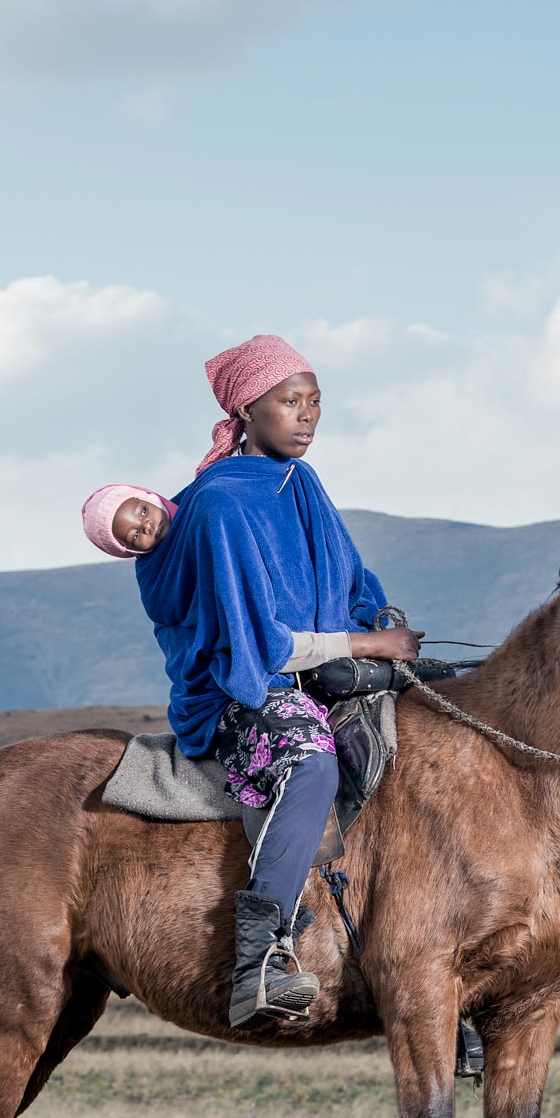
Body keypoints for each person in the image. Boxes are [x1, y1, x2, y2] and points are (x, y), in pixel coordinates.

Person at [131, 334, 422, 1027]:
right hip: (245, 689)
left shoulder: (302, 484)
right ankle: (259, 963)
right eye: (290, 402)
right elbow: (255, 643)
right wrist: (364, 642)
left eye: (315, 402)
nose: (307, 416)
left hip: (315, 674)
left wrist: (383, 632)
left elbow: (351, 583)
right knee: (312, 768)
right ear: (248, 409)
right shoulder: (220, 504)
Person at [81, 484, 177, 558]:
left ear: (151, 499)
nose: (147, 527)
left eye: (143, 512)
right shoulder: (159, 574)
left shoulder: (188, 503)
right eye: (135, 535)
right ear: (131, 550)